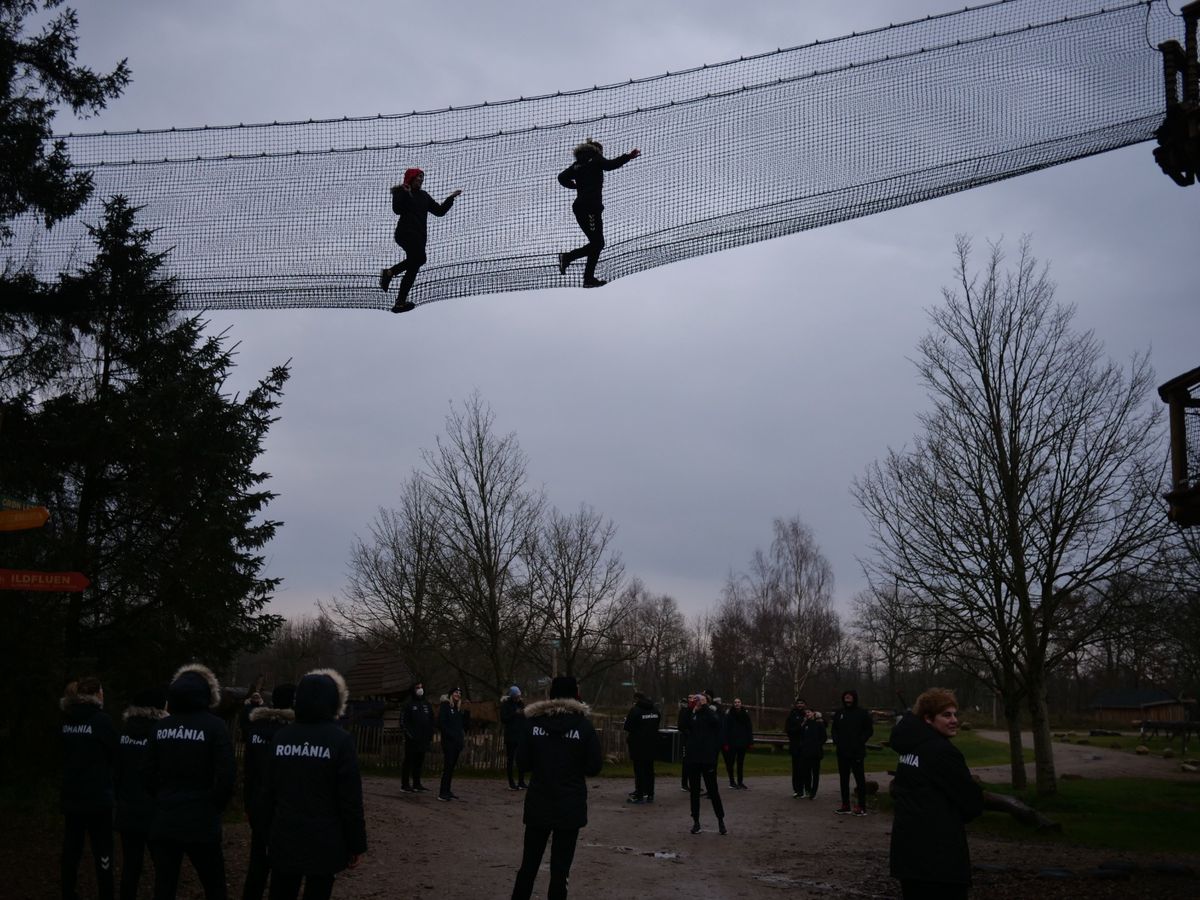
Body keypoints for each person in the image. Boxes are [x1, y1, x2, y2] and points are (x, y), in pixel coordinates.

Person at [261, 669, 366, 900]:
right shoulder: (340, 740)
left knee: (281, 891)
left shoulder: (281, 737)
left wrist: (264, 834)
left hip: (284, 836)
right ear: (334, 701)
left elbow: (268, 791)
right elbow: (350, 799)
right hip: (325, 840)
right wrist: (356, 843)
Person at [147, 663, 236, 899]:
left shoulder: (160, 727)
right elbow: (226, 775)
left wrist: (160, 799)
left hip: (166, 819)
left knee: (164, 886)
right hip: (202, 820)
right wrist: (214, 806)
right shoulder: (215, 727)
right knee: (215, 886)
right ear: (208, 694)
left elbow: (147, 772)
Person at [510, 675, 602, 900]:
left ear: (551, 695)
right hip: (570, 805)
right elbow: (593, 767)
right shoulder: (583, 726)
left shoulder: (532, 724)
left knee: (528, 866)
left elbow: (522, 763)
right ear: (575, 696)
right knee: (560, 870)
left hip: (539, 801)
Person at [889, 688, 983, 900]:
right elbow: (972, 803)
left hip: (908, 855)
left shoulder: (908, 748)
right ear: (928, 719)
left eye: (954, 714)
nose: (954, 720)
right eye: (946, 715)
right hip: (939, 858)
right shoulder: (941, 752)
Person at [60, 676, 118, 900]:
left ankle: (67, 891)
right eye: (101, 691)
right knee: (103, 851)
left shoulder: (66, 720)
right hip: (97, 798)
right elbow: (115, 752)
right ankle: (106, 893)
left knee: (71, 849)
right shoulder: (101, 721)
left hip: (72, 795)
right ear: (96, 694)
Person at [556, 139, 640, 287]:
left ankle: (586, 277)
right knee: (598, 243)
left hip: (580, 207)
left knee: (597, 243)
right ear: (597, 150)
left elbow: (561, 177)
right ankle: (570, 259)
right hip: (591, 208)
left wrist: (573, 185)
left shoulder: (577, 165)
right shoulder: (595, 158)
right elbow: (610, 165)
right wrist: (628, 156)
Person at [379, 168, 462, 313]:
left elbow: (439, 211)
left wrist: (451, 198)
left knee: (414, 265)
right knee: (420, 258)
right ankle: (389, 272)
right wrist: (405, 193)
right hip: (405, 233)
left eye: (422, 177)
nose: (421, 179)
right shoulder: (401, 191)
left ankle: (400, 302)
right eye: (419, 177)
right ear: (411, 178)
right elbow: (397, 209)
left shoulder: (424, 196)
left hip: (419, 236)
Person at [241, 683, 295, 900]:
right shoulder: (292, 733)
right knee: (283, 868)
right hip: (283, 808)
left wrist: (248, 804)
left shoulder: (256, 729)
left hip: (258, 804)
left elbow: (249, 771)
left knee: (257, 864)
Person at [115, 687, 167, 900]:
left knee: (130, 866)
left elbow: (116, 770)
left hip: (128, 808)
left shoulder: (124, 731)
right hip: (154, 811)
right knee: (163, 868)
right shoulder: (160, 733)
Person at [683, 692, 727, 835]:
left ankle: (720, 820)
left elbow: (717, 722)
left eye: (700, 700)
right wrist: (691, 709)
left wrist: (705, 706)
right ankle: (696, 821)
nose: (698, 702)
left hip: (707, 758)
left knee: (713, 790)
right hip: (693, 758)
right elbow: (683, 725)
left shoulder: (710, 713)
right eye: (697, 700)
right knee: (694, 792)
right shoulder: (692, 713)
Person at [831, 688, 874, 816]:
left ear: (854, 698)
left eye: (850, 696)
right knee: (843, 779)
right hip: (842, 751)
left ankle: (861, 806)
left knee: (859, 779)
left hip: (857, 752)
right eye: (845, 696)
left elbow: (869, 730)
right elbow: (834, 729)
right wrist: (836, 740)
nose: (847, 698)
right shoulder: (839, 713)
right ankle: (845, 805)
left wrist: (860, 741)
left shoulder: (862, 713)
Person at [622, 691, 661, 804]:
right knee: (649, 770)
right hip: (652, 744)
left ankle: (639, 795)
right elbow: (657, 722)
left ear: (637, 700)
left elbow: (628, 727)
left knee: (639, 770)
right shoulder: (655, 710)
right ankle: (650, 794)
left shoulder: (635, 710)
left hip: (638, 745)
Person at [400, 681, 435, 793]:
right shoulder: (408, 704)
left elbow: (431, 720)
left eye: (421, 687)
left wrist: (430, 734)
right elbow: (403, 722)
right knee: (409, 761)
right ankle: (405, 785)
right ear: (413, 690)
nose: (420, 689)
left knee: (419, 762)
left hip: (423, 739)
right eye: (417, 687)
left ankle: (417, 784)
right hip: (412, 740)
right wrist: (409, 735)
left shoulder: (426, 704)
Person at [437, 687, 469, 801]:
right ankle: (442, 792)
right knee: (448, 766)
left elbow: (464, 726)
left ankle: (447, 790)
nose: (458, 694)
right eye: (456, 692)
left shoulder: (458, 709)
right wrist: (451, 735)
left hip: (457, 743)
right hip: (448, 742)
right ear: (451, 694)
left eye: (460, 693)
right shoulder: (445, 706)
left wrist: (467, 713)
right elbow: (442, 723)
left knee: (451, 768)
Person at [721, 698, 754, 790]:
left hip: (742, 742)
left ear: (741, 703)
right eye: (735, 702)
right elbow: (725, 729)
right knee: (730, 763)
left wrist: (750, 741)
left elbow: (749, 728)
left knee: (740, 763)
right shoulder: (729, 715)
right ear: (733, 704)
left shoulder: (745, 714)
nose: (737, 704)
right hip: (731, 743)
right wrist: (725, 743)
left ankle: (740, 782)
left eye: (738, 702)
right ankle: (732, 782)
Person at [500, 685, 528, 791]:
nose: (518, 697)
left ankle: (521, 781)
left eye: (519, 695)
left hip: (520, 735)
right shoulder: (506, 705)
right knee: (511, 759)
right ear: (512, 696)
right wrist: (514, 714)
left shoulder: (521, 704)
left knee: (521, 759)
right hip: (511, 736)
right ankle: (511, 783)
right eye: (516, 695)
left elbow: (524, 718)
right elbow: (504, 718)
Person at [797, 709, 827, 800]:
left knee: (815, 773)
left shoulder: (819, 723)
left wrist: (817, 745)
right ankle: (808, 790)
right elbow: (800, 736)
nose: (807, 714)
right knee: (806, 773)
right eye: (806, 713)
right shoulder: (805, 724)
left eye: (809, 712)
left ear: (813, 713)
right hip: (806, 752)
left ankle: (814, 792)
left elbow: (824, 737)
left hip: (816, 753)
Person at [784, 696, 808, 798]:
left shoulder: (808, 715)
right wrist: (800, 726)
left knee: (805, 769)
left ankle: (805, 789)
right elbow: (789, 730)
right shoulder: (792, 715)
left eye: (802, 703)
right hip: (795, 746)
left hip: (806, 746)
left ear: (805, 705)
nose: (800, 705)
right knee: (796, 769)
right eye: (798, 703)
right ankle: (797, 789)